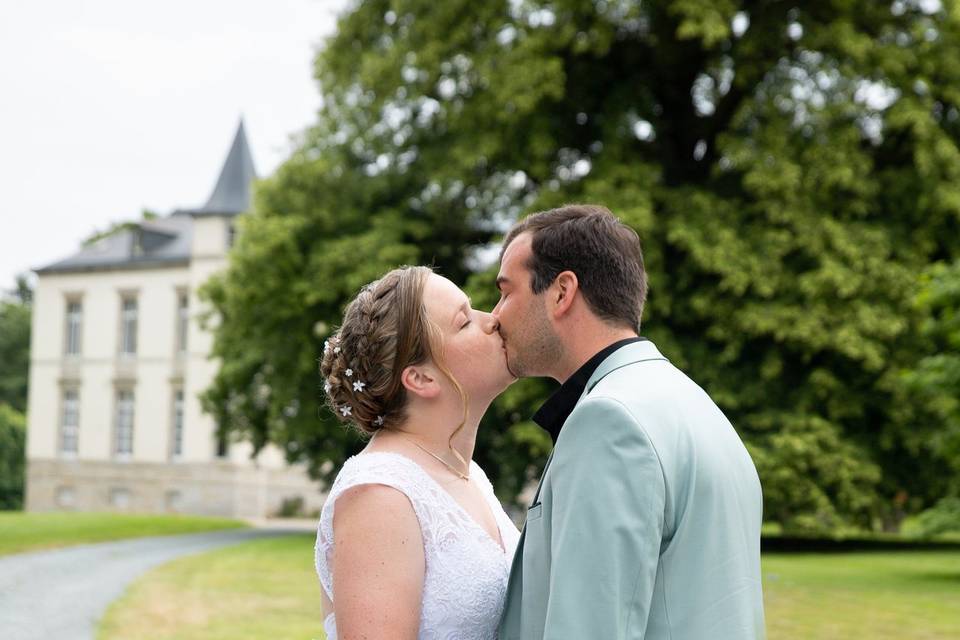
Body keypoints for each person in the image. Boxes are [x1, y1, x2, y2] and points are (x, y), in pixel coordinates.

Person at [493, 205, 766, 639]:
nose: (495, 315)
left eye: (506, 292)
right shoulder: (698, 408)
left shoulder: (608, 421)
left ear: (562, 292)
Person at [314, 266, 520, 640]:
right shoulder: (380, 495)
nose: (492, 320)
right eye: (465, 321)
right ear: (421, 378)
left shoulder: (468, 474)